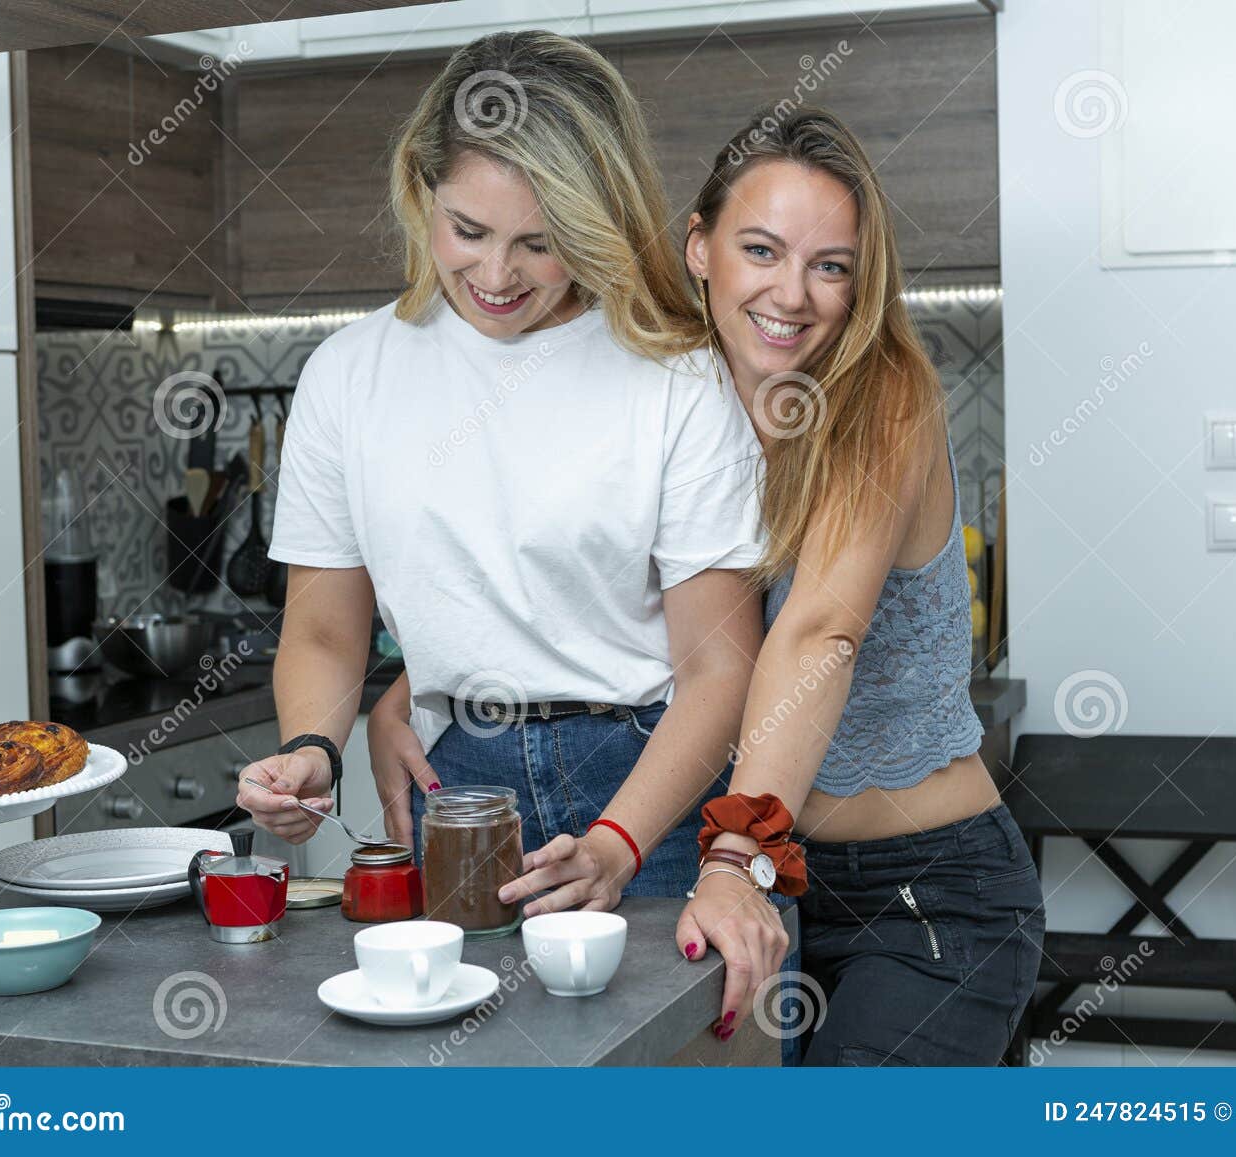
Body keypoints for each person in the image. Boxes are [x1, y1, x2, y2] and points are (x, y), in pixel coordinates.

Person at [236, 31, 765, 918]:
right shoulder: (348, 372)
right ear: (422, 192)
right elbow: (327, 631)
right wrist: (312, 751)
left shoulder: (678, 375)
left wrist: (618, 841)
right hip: (456, 785)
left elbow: (720, 667)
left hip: (654, 789)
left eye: (540, 241)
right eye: (467, 230)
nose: (494, 273)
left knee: (668, 1056)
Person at [673, 107, 1044, 1065]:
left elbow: (821, 631)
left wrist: (734, 857)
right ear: (699, 249)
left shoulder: (883, 394)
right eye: (761, 249)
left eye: (830, 265)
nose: (792, 293)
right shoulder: (678, 400)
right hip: (769, 893)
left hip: (927, 895)